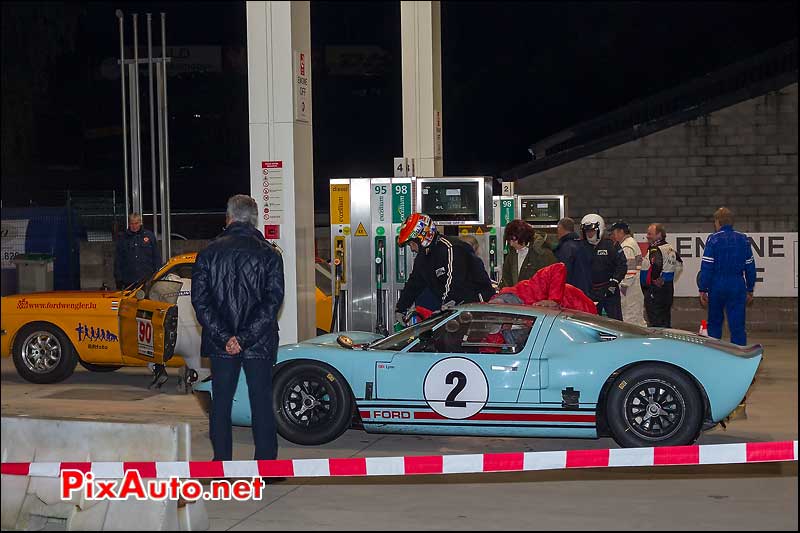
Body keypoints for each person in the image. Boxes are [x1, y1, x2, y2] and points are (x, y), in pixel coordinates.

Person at [191, 195, 285, 461]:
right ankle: (265, 467)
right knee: (261, 403)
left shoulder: (208, 253)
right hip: (259, 342)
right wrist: (244, 338)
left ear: (228, 218)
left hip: (221, 344)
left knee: (220, 403)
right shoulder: (270, 254)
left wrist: (226, 337)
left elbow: (200, 301)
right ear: (255, 219)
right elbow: (272, 302)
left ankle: (221, 465)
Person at [394, 213, 495, 322]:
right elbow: (414, 283)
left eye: (412, 244)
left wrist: (447, 305)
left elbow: (454, 280)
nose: (412, 248)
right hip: (456, 308)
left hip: (476, 306)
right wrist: (401, 308)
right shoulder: (423, 257)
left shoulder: (452, 248)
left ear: (422, 238)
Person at [697, 207, 756, 346]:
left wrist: (703, 288)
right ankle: (739, 355)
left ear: (718, 222)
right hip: (737, 284)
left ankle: (714, 354)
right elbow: (750, 266)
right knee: (737, 325)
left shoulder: (713, 239)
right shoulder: (743, 239)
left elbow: (707, 266)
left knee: (714, 324)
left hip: (717, 285)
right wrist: (750, 288)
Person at [580, 214, 626, 320]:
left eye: (591, 231)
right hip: (589, 292)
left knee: (614, 322)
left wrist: (614, 282)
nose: (589, 234)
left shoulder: (611, 245)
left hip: (609, 290)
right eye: (587, 231)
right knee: (590, 321)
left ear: (599, 229)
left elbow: (622, 265)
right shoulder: (580, 246)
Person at [640, 223, 683, 328]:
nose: (647, 236)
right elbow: (679, 265)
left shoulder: (655, 248)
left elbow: (657, 264)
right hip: (667, 289)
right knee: (665, 320)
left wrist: (655, 279)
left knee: (656, 324)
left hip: (655, 291)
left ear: (659, 235)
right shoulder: (670, 248)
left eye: (650, 234)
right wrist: (667, 279)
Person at [499, 219, 557, 289]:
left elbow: (551, 282)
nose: (511, 244)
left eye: (514, 240)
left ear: (523, 237)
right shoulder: (512, 255)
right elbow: (506, 279)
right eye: (509, 240)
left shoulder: (543, 254)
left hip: (538, 298)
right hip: (516, 297)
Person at [609, 221, 646, 327]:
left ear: (621, 232)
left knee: (630, 320)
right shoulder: (632, 242)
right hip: (635, 287)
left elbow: (629, 271)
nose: (613, 236)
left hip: (630, 290)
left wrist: (622, 287)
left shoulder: (626, 246)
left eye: (614, 232)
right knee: (637, 318)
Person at [114, 212, 162, 289]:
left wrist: (158, 275)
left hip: (147, 279)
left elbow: (156, 257)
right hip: (129, 280)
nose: (134, 226)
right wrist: (118, 278)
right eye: (132, 223)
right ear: (129, 224)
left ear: (140, 223)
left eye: (136, 223)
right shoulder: (123, 238)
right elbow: (118, 259)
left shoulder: (149, 236)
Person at [553, 217, 592, 296]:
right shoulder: (583, 245)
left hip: (570, 292)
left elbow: (563, 271)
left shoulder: (565, 248)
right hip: (585, 290)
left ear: (560, 228)